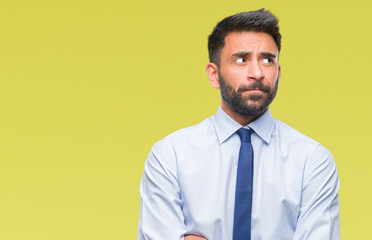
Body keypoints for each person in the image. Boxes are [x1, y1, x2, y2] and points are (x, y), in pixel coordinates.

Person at [138, 9, 340, 240]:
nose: (257, 73)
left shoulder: (312, 162)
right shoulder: (170, 156)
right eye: (241, 59)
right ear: (214, 75)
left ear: (278, 73)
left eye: (267, 60)